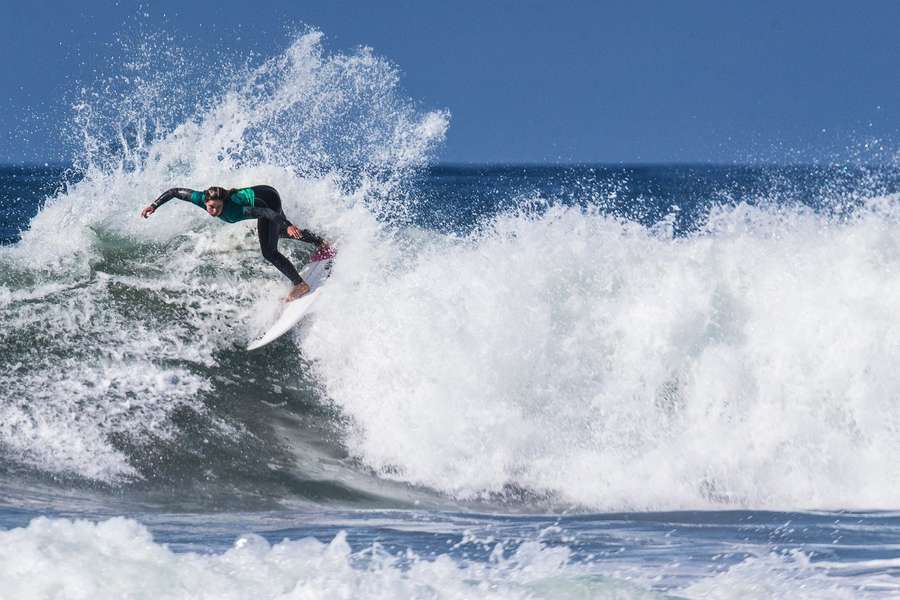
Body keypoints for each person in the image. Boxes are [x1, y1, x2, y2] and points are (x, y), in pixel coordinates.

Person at [141, 185, 329, 301]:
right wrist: (154, 205)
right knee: (277, 232)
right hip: (264, 191)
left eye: (218, 207)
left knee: (269, 251)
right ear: (205, 201)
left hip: (268, 202)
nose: (213, 210)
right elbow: (175, 192)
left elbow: (267, 214)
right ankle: (321, 243)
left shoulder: (238, 210)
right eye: (211, 207)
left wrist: (287, 225)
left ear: (224, 203)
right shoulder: (201, 198)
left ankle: (300, 285)